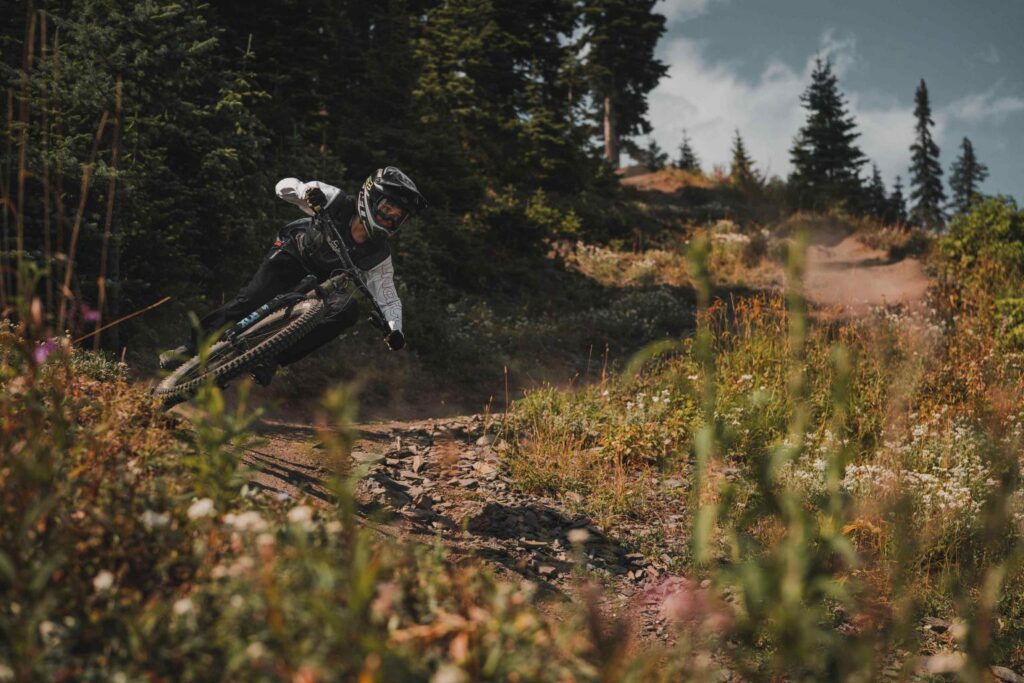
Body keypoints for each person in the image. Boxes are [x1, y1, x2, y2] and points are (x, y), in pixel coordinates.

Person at [159, 166, 427, 385]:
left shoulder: (379, 254)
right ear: (370, 197)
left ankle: (272, 359)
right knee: (251, 299)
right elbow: (283, 187)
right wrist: (305, 192)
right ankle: (189, 349)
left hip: (322, 281)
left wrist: (395, 329)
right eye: (388, 209)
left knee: (348, 309)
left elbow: (388, 296)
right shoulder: (334, 200)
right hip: (292, 253)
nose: (390, 220)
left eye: (398, 217)